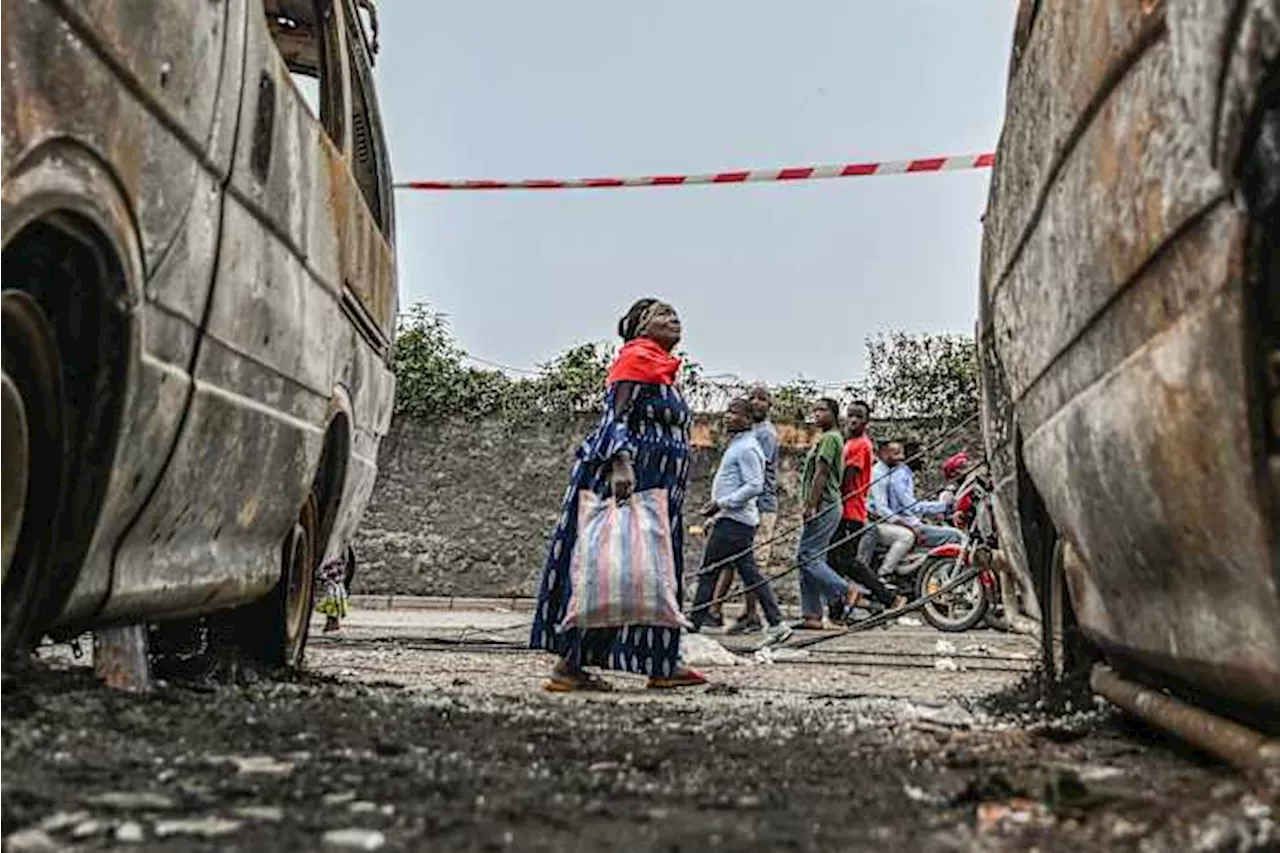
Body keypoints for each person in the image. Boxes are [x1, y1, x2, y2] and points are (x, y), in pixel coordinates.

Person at [530, 298, 705, 691]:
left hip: (660, 491)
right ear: (641, 325)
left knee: (651, 575)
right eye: (663, 314)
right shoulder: (635, 360)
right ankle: (570, 665)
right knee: (613, 570)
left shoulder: (663, 371)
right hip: (631, 484)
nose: (674, 320)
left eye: (677, 315)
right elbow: (614, 417)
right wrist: (620, 463)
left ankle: (663, 663)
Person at [689, 398, 793, 645]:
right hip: (733, 520)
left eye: (734, 413)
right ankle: (776, 622)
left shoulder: (747, 448)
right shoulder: (740, 444)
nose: (727, 416)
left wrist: (720, 505)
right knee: (749, 573)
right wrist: (718, 513)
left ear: (747, 420)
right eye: (727, 411)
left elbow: (754, 486)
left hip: (735, 522)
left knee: (709, 572)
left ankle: (693, 625)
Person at [795, 398, 868, 630]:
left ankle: (846, 592)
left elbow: (822, 473)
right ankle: (811, 615)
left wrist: (811, 504)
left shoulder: (830, 439)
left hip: (824, 503)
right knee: (806, 558)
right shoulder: (831, 438)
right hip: (825, 504)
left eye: (822, 410)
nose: (817, 414)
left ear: (834, 415)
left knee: (808, 556)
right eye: (814, 410)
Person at [709, 384, 777, 634]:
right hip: (741, 507)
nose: (757, 402)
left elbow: (755, 480)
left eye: (763, 399)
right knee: (734, 561)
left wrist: (724, 504)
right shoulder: (745, 436)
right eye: (754, 398)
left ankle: (754, 615)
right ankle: (714, 610)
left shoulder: (762, 436)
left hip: (759, 505)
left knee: (752, 563)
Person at [828, 402, 908, 613]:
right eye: (850, 415)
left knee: (847, 562)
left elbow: (847, 479)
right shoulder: (850, 443)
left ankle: (888, 597)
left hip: (850, 511)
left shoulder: (860, 445)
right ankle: (837, 610)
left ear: (866, 422)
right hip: (845, 510)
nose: (853, 420)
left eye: (859, 417)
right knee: (835, 562)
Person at [886, 441, 962, 547]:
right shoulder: (900, 476)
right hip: (907, 526)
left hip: (909, 523)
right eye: (921, 455)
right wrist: (943, 506)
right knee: (956, 535)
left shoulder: (904, 475)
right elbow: (911, 506)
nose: (924, 460)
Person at [863, 441, 917, 577]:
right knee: (906, 536)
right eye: (896, 454)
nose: (901, 458)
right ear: (882, 454)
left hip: (883, 521)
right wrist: (905, 523)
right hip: (873, 523)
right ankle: (885, 573)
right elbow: (882, 509)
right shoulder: (878, 474)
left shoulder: (893, 473)